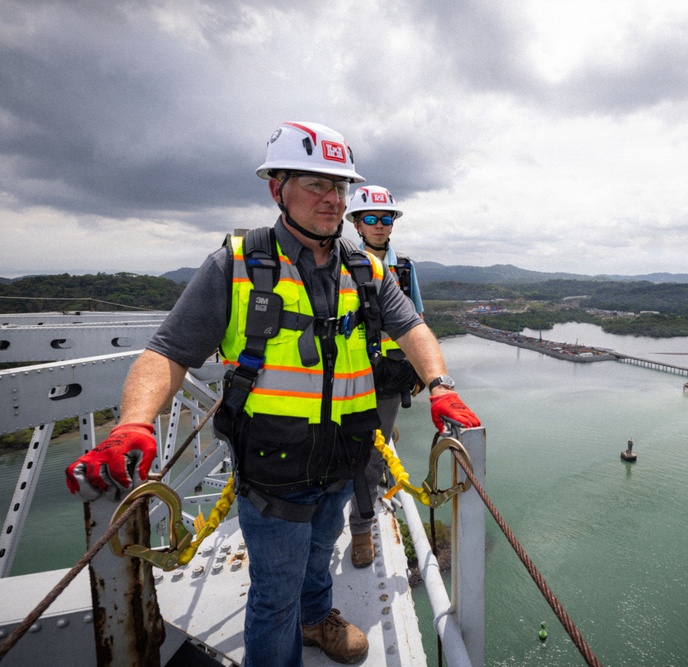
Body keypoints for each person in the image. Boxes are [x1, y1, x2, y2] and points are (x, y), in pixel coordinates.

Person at [64, 121, 480, 667]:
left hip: (343, 458)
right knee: (274, 597)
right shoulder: (237, 265)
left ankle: (317, 621)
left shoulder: (365, 269)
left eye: (340, 188)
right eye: (316, 184)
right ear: (276, 187)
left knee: (316, 562)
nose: (332, 200)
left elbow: (412, 329)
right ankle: (292, 632)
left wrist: (440, 387)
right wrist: (134, 424)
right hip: (274, 465)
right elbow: (167, 351)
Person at [343, 184, 422, 568]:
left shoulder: (403, 268)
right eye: (370, 218)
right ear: (357, 223)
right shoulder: (341, 263)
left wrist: (423, 369)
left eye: (385, 218)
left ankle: (360, 529)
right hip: (349, 370)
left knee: (372, 452)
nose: (379, 225)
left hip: (389, 374)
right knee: (345, 445)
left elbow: (416, 319)